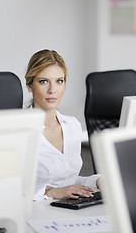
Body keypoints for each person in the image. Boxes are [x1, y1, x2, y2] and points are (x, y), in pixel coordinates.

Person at [25, 49, 101, 201]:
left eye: (59, 81)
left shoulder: (72, 125)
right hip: (33, 214)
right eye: (43, 81)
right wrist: (50, 193)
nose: (52, 90)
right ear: (29, 85)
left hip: (68, 210)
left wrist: (98, 181)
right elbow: (8, 192)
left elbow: (68, 183)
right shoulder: (21, 132)